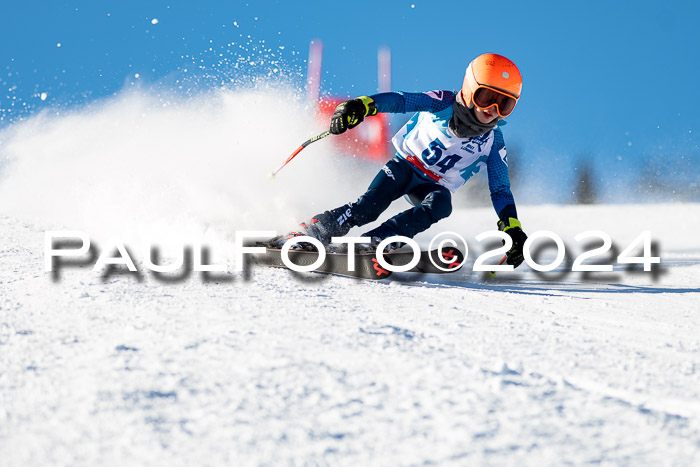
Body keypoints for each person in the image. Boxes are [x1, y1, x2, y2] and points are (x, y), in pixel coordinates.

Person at [275, 52, 528, 268]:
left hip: (432, 185)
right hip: (405, 166)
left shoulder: (493, 141)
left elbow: (501, 190)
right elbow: (402, 100)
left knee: (441, 203)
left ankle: (379, 240)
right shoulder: (444, 102)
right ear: (471, 89)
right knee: (368, 207)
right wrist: (363, 105)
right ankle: (315, 230)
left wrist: (512, 228)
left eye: (503, 104)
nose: (491, 110)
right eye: (485, 98)